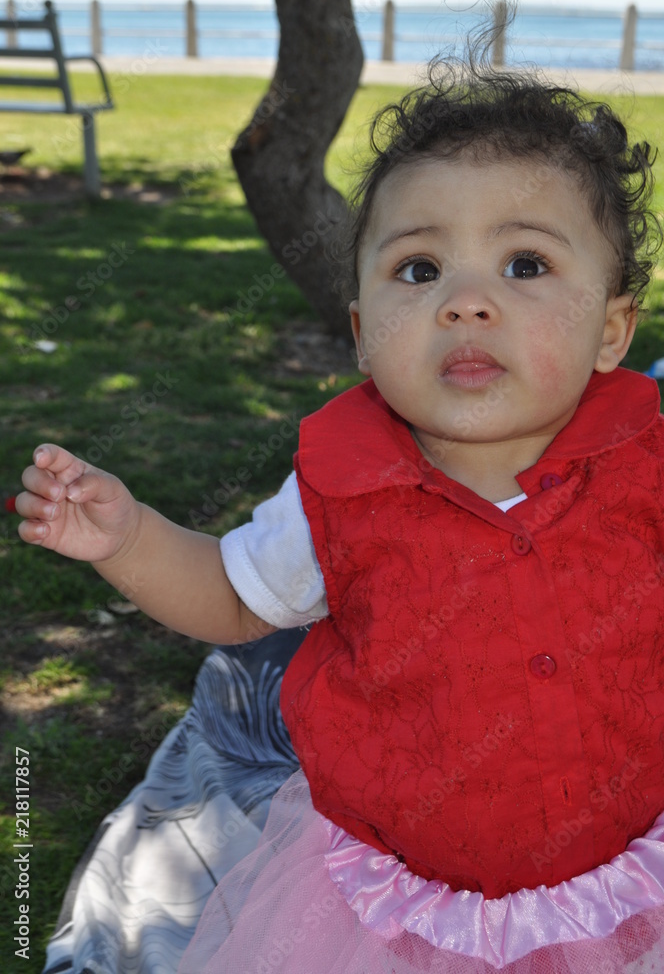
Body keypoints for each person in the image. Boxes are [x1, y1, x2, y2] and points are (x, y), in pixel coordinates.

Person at [18, 54, 664, 973]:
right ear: (363, 335)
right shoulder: (339, 492)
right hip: (393, 907)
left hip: (620, 884)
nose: (466, 302)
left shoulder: (648, 473)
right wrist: (129, 538)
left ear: (611, 327)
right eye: (419, 267)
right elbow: (233, 599)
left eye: (525, 263)